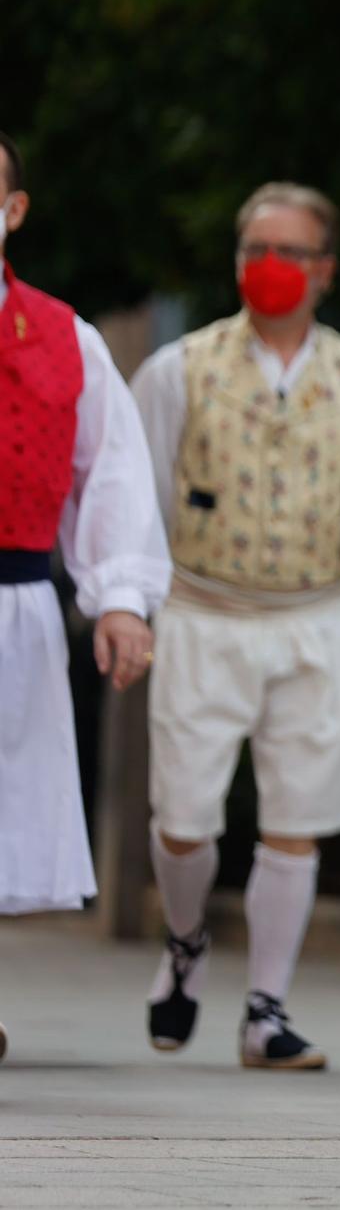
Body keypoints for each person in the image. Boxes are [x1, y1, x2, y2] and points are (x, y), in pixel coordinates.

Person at [131, 182, 340, 1070]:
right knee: (183, 816)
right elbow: (138, 493)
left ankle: (266, 1007)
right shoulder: (180, 368)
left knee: (297, 815)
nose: (270, 267)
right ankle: (184, 943)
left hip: (313, 618)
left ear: (324, 270)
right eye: (255, 248)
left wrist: (309, 571)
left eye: (289, 252)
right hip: (202, 610)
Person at [0, 129, 170, 1062]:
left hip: (13, 600)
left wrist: (119, 598)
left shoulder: (66, 339)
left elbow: (110, 471)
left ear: (15, 209)